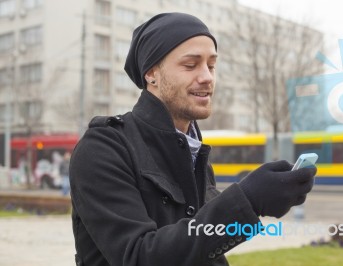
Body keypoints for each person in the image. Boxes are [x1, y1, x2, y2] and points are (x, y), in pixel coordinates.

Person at [70, 12, 317, 266]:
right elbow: (139, 256)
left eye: (211, 65)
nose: (207, 77)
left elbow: (200, 251)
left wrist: (264, 200)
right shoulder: (103, 147)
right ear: (151, 73)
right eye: (191, 65)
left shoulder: (195, 151)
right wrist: (248, 202)